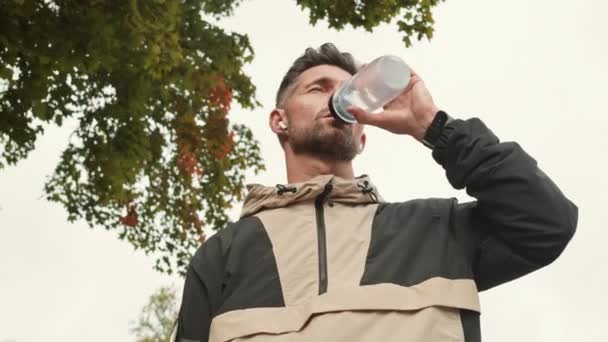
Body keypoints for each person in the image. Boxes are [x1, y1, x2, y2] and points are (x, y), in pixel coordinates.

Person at [172, 43, 578, 342]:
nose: (335, 98)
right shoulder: (224, 253)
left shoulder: (434, 230)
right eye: (317, 88)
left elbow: (545, 223)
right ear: (279, 121)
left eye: (346, 90)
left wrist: (434, 127)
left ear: (362, 135)